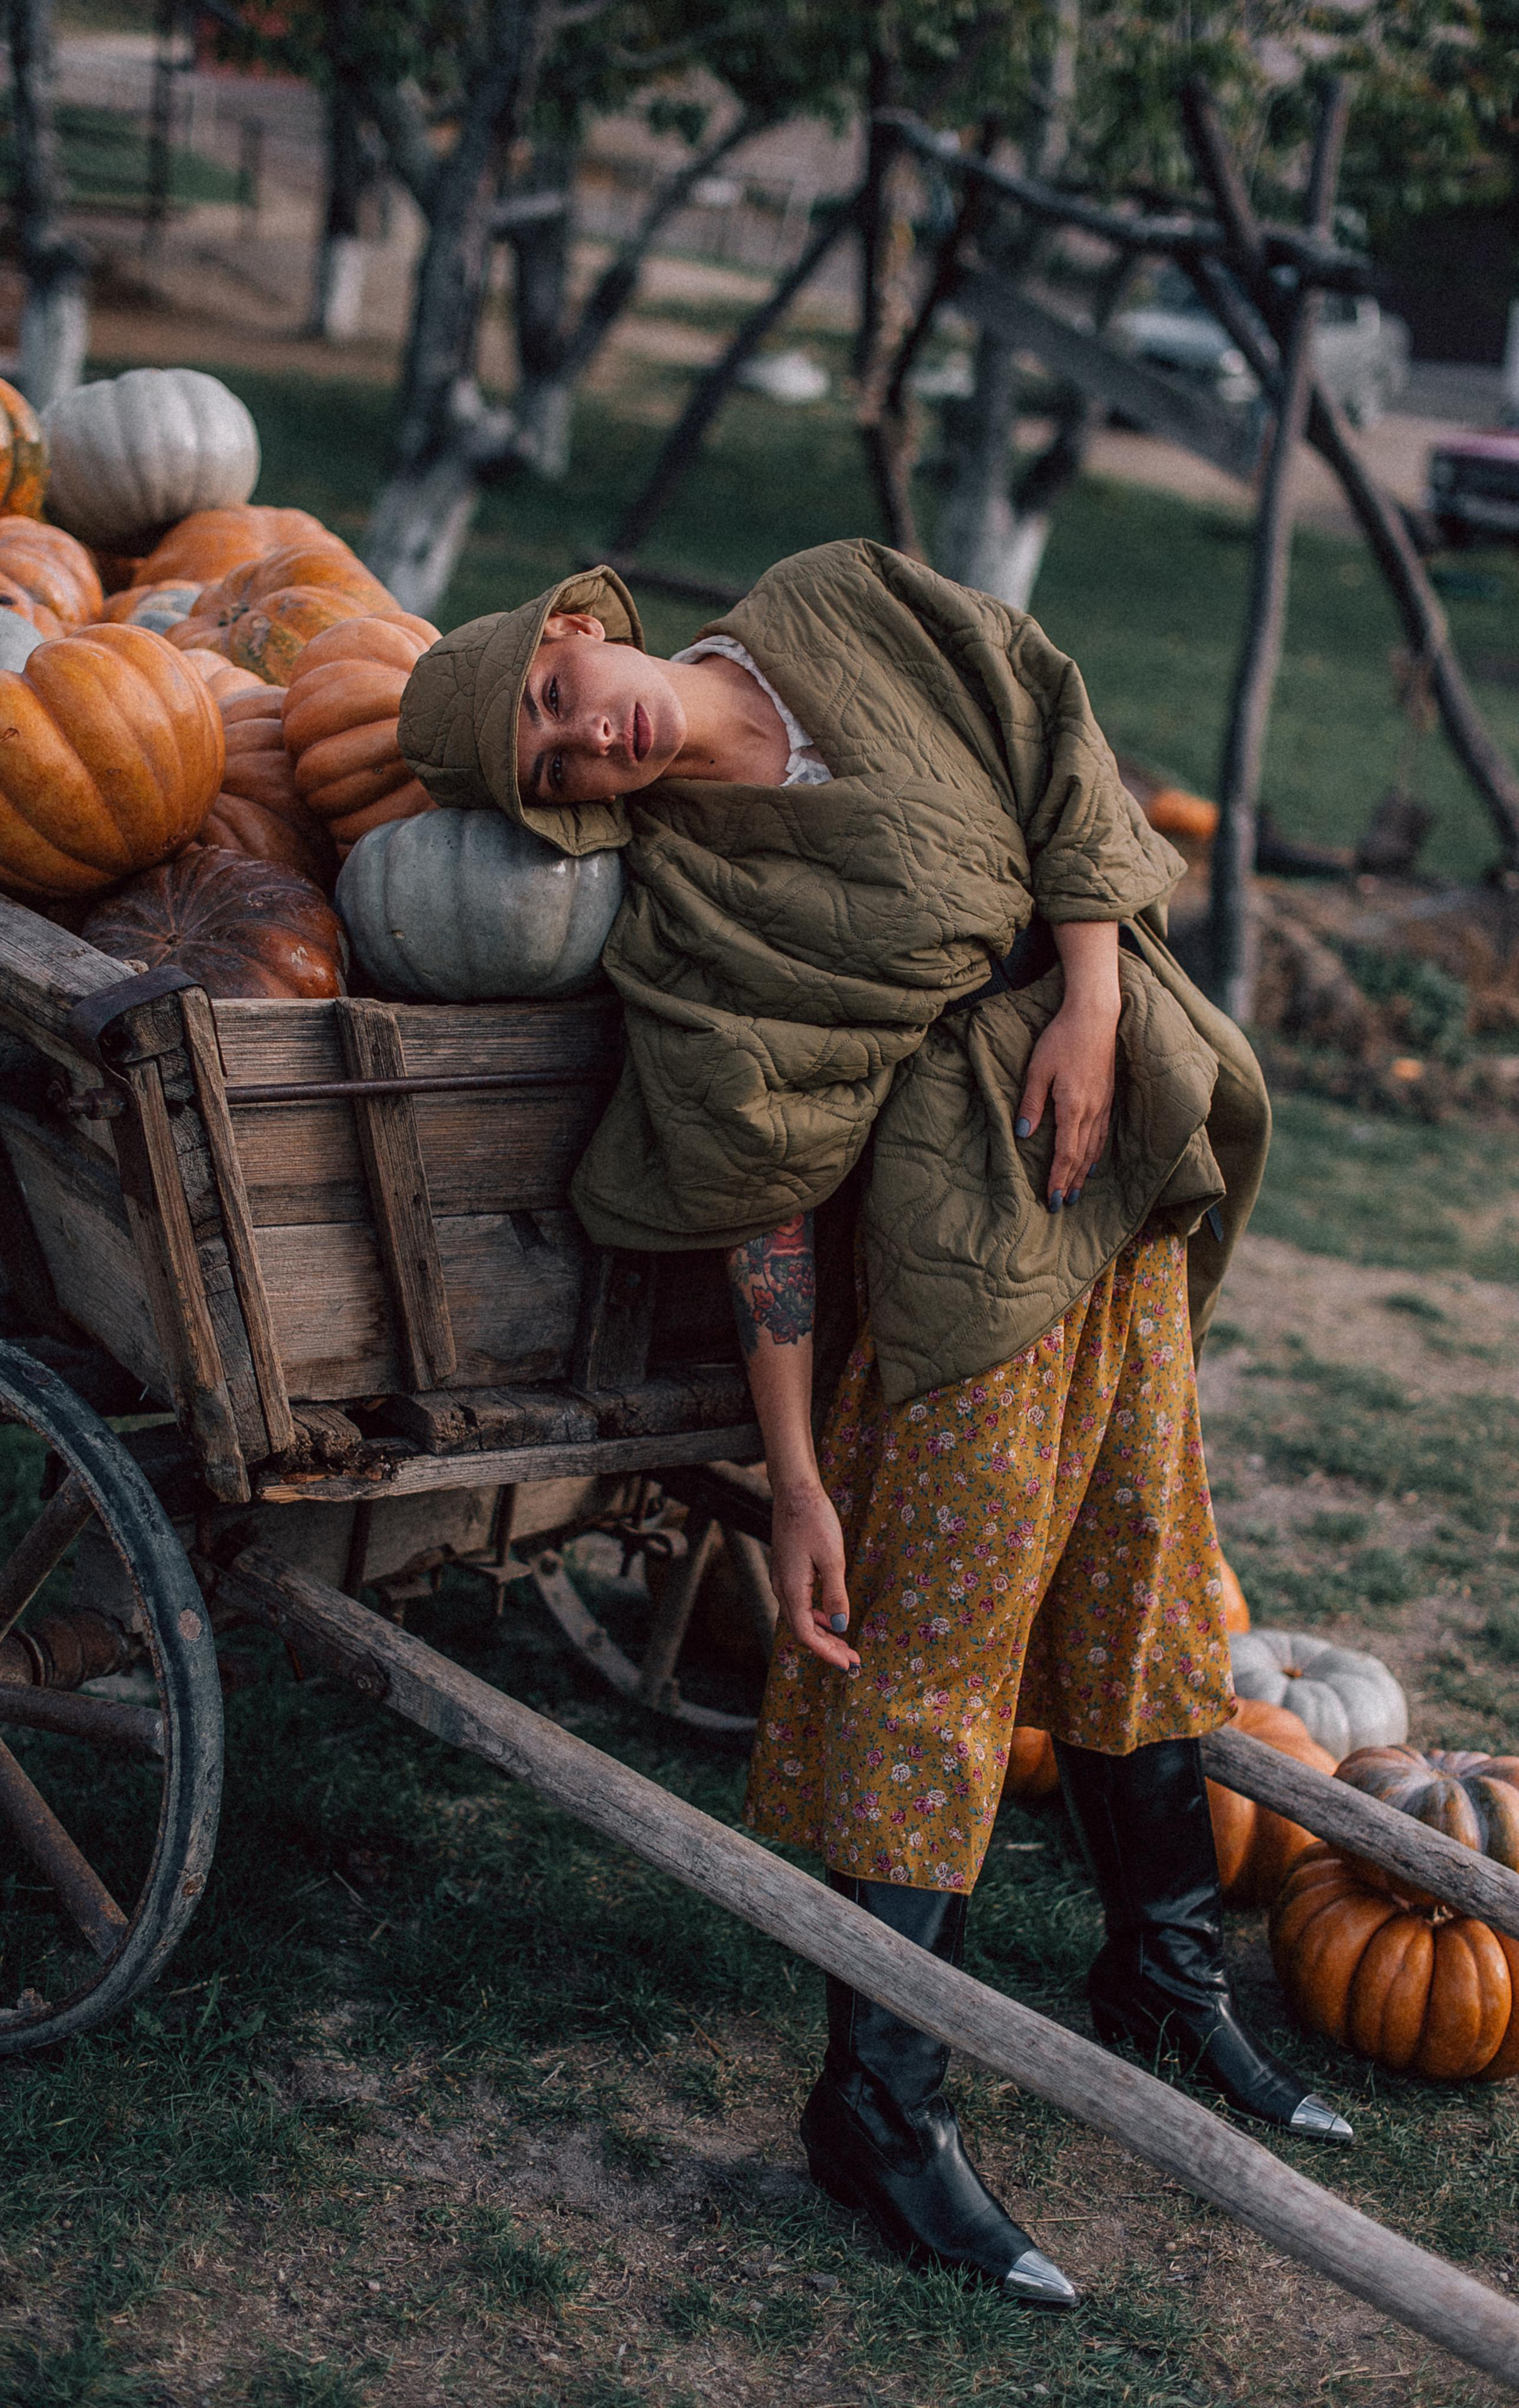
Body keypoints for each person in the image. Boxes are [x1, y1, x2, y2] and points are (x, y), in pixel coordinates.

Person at [397, 541, 1350, 2312]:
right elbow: (758, 1193)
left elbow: (1052, 733)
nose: (582, 743)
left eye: (550, 697)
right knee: (935, 1652)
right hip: (959, 1247)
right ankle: (878, 2109)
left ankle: (1161, 1983)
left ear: (581, 626)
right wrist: (800, 1479)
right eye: (547, 773)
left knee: (1144, 1583)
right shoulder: (686, 909)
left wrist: (1088, 995)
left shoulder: (839, 599)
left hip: (1119, 1153)